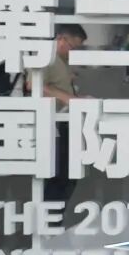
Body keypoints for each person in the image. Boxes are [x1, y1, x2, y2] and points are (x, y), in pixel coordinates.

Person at [38, 24, 88, 211]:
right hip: (52, 122)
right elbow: (35, 85)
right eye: (73, 47)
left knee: (69, 175)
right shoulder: (46, 57)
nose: (73, 52)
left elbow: (59, 87)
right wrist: (68, 98)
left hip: (64, 119)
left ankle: (54, 217)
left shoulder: (61, 59)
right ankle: (49, 218)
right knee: (60, 175)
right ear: (61, 39)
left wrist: (77, 98)